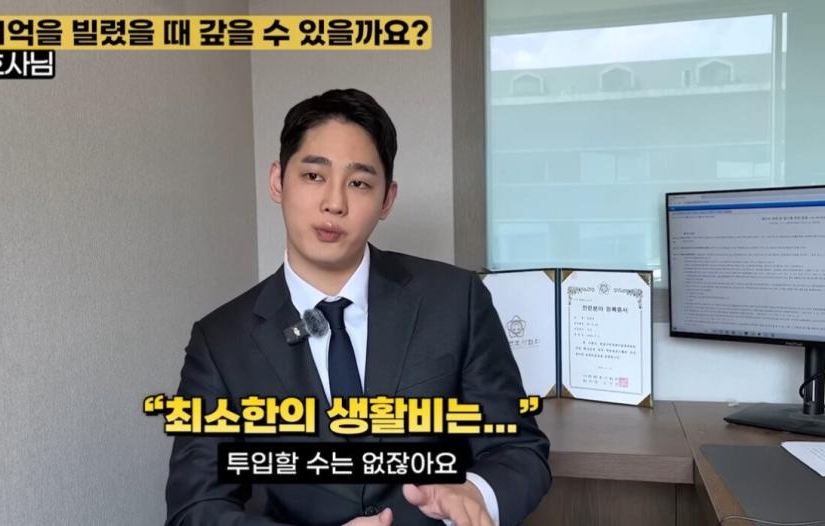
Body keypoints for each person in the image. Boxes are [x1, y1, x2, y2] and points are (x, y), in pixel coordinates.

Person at [165, 88, 551, 526]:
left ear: (387, 199)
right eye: (314, 175)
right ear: (277, 181)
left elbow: (518, 448)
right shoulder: (220, 341)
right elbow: (195, 509)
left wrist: (476, 492)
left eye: (359, 183)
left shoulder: (456, 299)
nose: (335, 203)